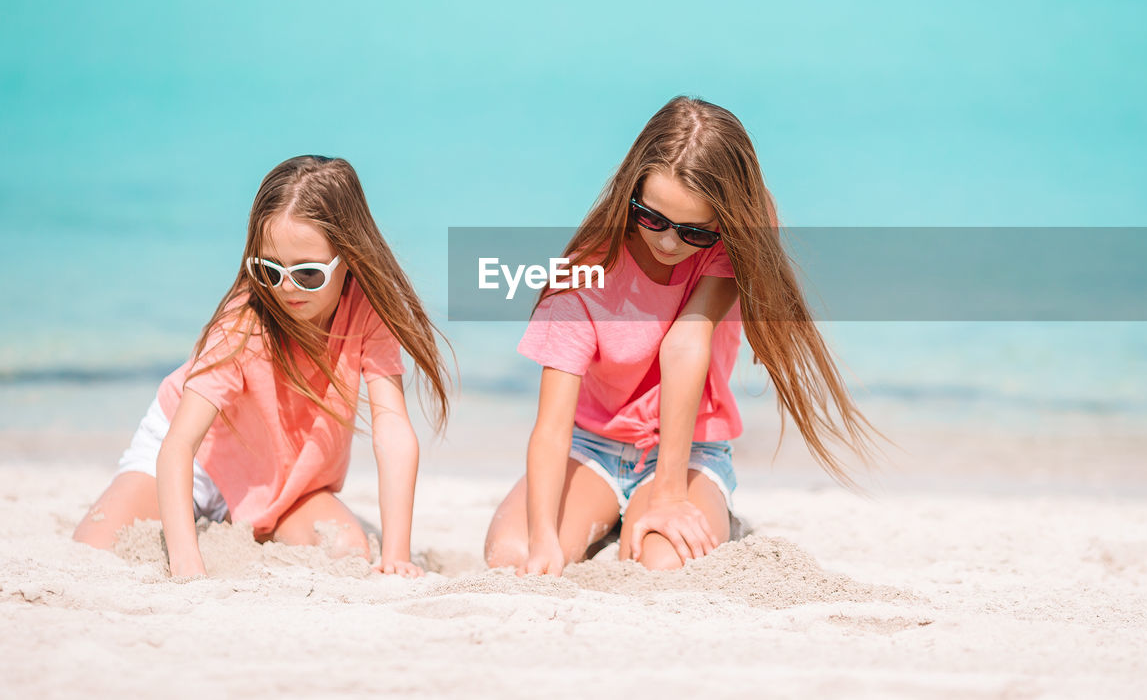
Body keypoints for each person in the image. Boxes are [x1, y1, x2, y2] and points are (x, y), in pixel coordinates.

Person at [484, 96, 878, 575]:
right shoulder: (584, 275)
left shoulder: (733, 235)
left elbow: (686, 341)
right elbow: (551, 427)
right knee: (512, 557)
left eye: (693, 231)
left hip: (690, 445)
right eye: (652, 218)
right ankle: (610, 516)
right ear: (632, 191)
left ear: (721, 221)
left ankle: (682, 505)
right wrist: (544, 536)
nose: (670, 242)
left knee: (665, 565)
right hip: (593, 446)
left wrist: (669, 494)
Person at [73, 155, 449, 578]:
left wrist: (396, 554)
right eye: (268, 270)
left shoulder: (367, 312)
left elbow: (392, 428)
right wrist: (186, 563)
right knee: (95, 545)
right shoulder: (244, 322)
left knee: (347, 549)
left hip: (286, 469)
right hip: (200, 459)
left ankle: (247, 519)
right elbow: (178, 446)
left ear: (348, 259)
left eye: (308, 274)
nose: (286, 288)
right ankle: (217, 517)